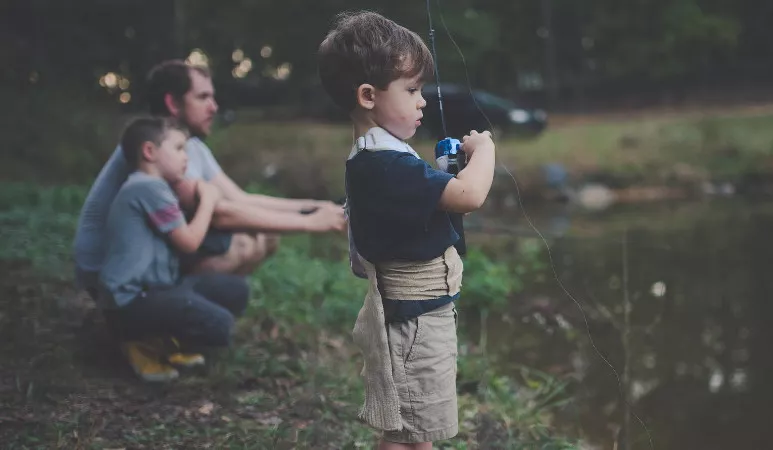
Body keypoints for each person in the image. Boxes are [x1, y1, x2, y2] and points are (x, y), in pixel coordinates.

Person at [317, 11, 496, 449]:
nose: (422, 101)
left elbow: (436, 208)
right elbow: (470, 197)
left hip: (418, 317)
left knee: (414, 432)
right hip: (415, 325)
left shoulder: (384, 155)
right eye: (412, 90)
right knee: (409, 434)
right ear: (367, 96)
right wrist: (485, 149)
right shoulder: (384, 163)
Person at [73, 59, 346, 296]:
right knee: (242, 243)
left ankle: (196, 313)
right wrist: (312, 223)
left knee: (265, 235)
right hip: (106, 270)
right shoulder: (157, 152)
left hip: (148, 255)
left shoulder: (190, 146)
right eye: (203, 98)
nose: (214, 107)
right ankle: (164, 325)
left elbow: (240, 198)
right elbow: (221, 214)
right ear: (172, 102)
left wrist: (315, 206)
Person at [97, 116, 249, 382]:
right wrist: (209, 200)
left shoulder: (153, 187)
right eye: (179, 149)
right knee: (219, 324)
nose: (186, 158)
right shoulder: (147, 187)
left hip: (157, 291)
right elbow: (189, 241)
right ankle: (139, 343)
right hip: (129, 303)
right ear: (149, 152)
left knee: (237, 290)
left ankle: (161, 338)